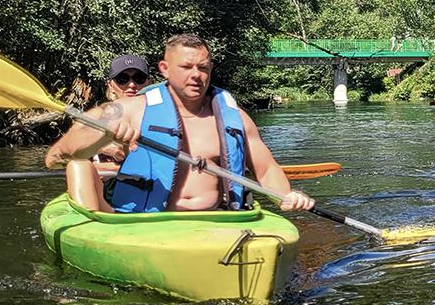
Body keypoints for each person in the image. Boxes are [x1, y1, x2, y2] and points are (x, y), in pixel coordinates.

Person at [53, 34, 315, 214]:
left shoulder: (235, 116)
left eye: (202, 68)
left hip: (215, 219)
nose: (196, 75)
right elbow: (61, 155)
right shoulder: (128, 109)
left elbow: (266, 168)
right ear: (165, 69)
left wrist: (285, 196)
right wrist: (102, 137)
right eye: (186, 67)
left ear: (211, 68)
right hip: (145, 223)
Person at [46, 53, 152, 171]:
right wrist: (101, 147)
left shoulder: (162, 114)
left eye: (139, 78)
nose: (131, 84)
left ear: (148, 82)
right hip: (99, 185)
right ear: (110, 85)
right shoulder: (96, 115)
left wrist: (114, 168)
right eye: (122, 79)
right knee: (79, 167)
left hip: (143, 182)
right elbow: (52, 160)